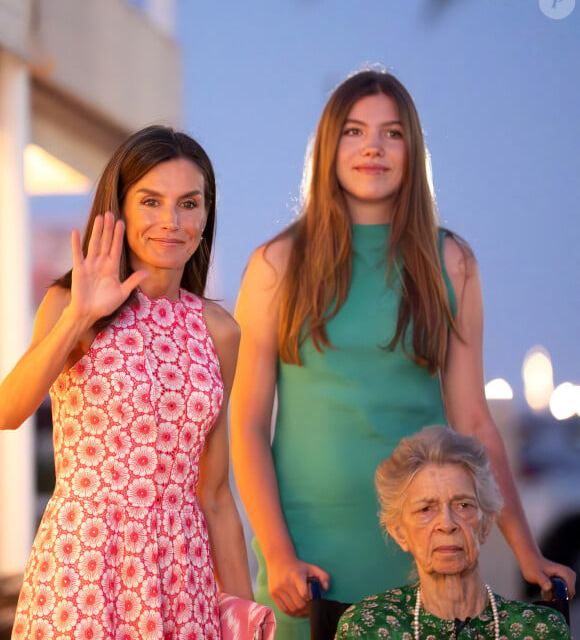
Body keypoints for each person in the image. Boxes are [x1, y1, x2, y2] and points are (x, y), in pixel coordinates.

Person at [230, 68, 576, 639]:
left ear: (412, 151)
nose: (372, 147)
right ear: (329, 148)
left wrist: (526, 553)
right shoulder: (276, 265)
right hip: (308, 553)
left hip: (425, 545)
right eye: (354, 131)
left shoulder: (452, 263)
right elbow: (244, 426)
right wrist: (278, 553)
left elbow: (474, 423)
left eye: (392, 133)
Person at [0, 125, 253, 639]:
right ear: (120, 208)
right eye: (151, 202)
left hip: (183, 579)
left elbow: (217, 494)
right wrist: (78, 316)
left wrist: (247, 616)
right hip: (83, 567)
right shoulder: (69, 306)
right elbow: (8, 412)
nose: (171, 222)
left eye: (189, 204)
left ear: (207, 215)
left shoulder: (220, 331)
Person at [335, 425, 571, 639]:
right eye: (426, 509)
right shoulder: (368, 628)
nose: (447, 524)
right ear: (399, 533)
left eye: (463, 505)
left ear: (486, 524)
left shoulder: (541, 630)